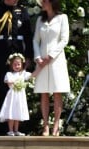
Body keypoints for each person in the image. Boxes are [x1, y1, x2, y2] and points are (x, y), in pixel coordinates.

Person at [0, 0, 34, 135]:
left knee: (19, 90)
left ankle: (18, 127)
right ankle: (2, 126)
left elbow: (28, 35)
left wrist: (29, 56)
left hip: (18, 53)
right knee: (1, 90)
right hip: (1, 54)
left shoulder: (22, 10)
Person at [33, 0, 70, 136]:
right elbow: (36, 40)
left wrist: (51, 55)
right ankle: (45, 126)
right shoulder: (39, 20)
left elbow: (64, 39)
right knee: (43, 92)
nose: (42, 3)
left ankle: (56, 125)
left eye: (44, 1)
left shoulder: (62, 18)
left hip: (56, 60)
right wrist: (38, 57)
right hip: (42, 60)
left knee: (56, 91)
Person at [0, 53, 40, 136]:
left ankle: (16, 130)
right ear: (11, 65)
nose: (17, 66)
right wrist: (15, 82)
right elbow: (8, 83)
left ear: (22, 65)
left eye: (18, 64)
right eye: (15, 64)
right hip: (12, 96)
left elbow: (32, 75)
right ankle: (10, 130)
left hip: (20, 96)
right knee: (11, 112)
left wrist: (39, 67)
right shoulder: (9, 74)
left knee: (17, 112)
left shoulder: (23, 74)